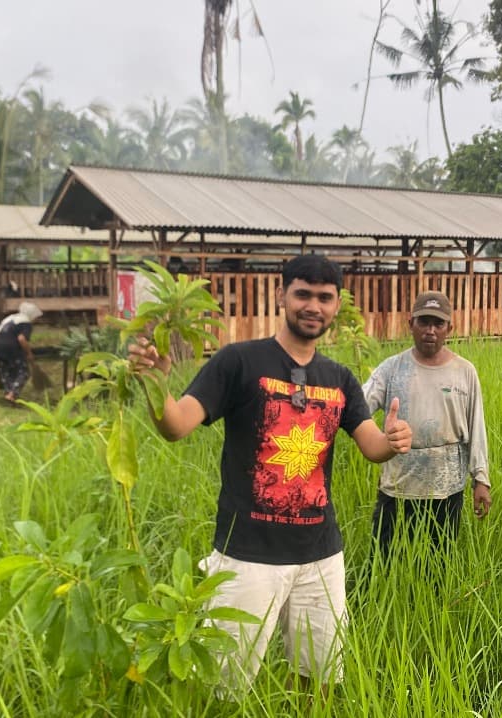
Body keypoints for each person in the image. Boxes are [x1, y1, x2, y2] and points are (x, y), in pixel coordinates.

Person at [128, 254, 411, 695]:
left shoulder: (338, 378)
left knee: (319, 677)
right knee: (224, 685)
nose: (313, 306)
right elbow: (176, 425)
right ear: (282, 295)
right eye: (303, 294)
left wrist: (392, 440)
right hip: (247, 556)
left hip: (320, 555)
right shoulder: (238, 362)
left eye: (325, 297)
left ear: (337, 305)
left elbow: (371, 444)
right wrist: (156, 384)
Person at [361, 291, 491, 560]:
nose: (430, 330)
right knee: (383, 560)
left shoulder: (464, 372)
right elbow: (357, 410)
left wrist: (481, 479)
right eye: (423, 322)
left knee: (438, 562)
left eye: (438, 323)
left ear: (449, 329)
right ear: (411, 324)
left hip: (447, 487)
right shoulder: (391, 369)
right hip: (398, 485)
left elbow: (476, 426)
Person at [0, 301, 42, 404]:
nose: (35, 320)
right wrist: (29, 353)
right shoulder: (26, 323)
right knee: (23, 372)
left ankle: (8, 394)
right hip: (12, 348)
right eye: (35, 317)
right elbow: (21, 339)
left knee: (5, 372)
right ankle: (12, 394)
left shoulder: (10, 318)